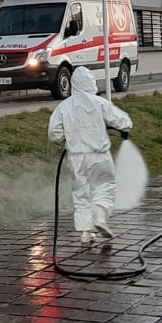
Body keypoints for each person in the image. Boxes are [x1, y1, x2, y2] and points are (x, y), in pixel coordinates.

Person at [48, 67, 134, 245]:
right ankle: (100, 218)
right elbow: (123, 121)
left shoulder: (63, 107)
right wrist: (123, 128)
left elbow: (53, 134)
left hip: (76, 157)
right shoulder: (99, 103)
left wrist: (67, 134)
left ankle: (86, 233)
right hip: (99, 155)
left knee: (81, 194)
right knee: (104, 188)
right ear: (91, 82)